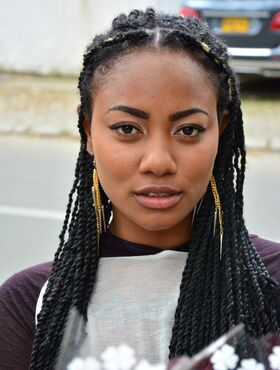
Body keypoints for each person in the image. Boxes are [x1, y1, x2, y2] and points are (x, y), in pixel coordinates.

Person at [1, 8, 280, 370]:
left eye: (189, 130)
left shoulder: (269, 283)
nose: (158, 161)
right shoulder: (29, 305)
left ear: (222, 131)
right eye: (127, 129)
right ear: (88, 131)